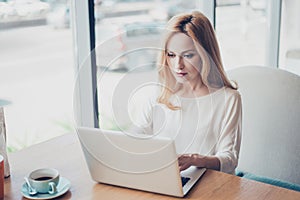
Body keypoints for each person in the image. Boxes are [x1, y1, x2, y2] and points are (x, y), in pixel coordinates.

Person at [131, 11, 242, 175]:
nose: (178, 65)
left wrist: (196, 160)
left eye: (188, 55)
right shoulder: (159, 94)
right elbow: (138, 138)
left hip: (209, 183)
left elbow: (229, 160)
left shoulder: (228, 99)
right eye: (171, 55)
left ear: (206, 55)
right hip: (165, 179)